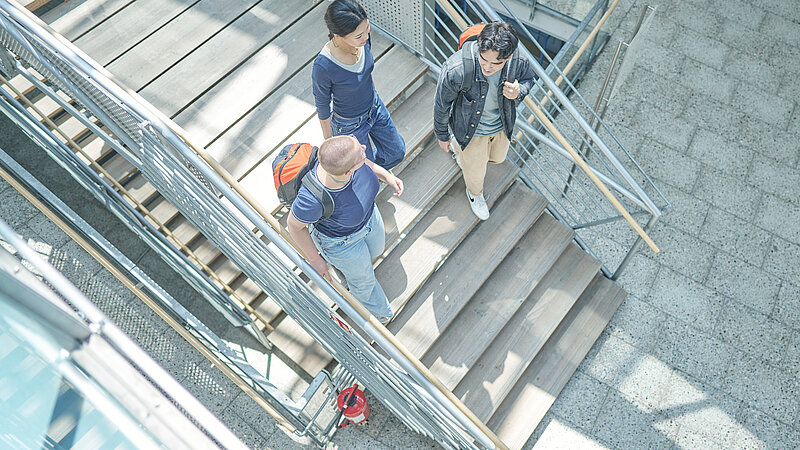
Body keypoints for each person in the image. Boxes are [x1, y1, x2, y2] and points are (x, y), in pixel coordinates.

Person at [287, 135, 403, 324]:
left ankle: (349, 272)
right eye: (361, 153)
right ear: (349, 172)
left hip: (369, 218)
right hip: (341, 243)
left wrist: (386, 176)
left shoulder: (345, 160)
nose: (365, 148)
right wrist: (315, 260)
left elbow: (367, 165)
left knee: (377, 251)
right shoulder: (311, 200)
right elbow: (294, 225)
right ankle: (380, 315)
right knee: (363, 281)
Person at [433, 22, 535, 220]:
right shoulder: (457, 68)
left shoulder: (519, 60)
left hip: (502, 125)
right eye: (483, 59)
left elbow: (528, 80)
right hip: (471, 130)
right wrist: (442, 135)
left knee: (497, 158)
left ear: (510, 55)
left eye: (496, 63)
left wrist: (518, 91)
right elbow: (441, 105)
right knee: (475, 172)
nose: (488, 67)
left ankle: (459, 149)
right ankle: (474, 194)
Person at [312, 0, 406, 170]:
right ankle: (366, 176)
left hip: (374, 107)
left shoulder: (362, 42)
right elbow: (322, 104)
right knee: (362, 168)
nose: (366, 37)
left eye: (367, 29)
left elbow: (365, 73)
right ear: (338, 35)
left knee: (396, 152)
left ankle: (369, 172)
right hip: (348, 124)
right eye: (359, 35)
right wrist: (329, 140)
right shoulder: (324, 66)